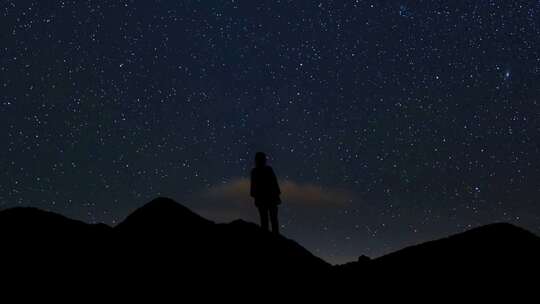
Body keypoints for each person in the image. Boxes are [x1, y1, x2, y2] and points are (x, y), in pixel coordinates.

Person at [250, 152, 281, 234]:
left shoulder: (255, 171)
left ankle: (268, 237)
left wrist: (255, 197)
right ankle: (274, 237)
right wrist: (277, 196)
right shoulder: (266, 170)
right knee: (271, 219)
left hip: (265, 199)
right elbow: (275, 184)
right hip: (269, 198)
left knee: (266, 219)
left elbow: (253, 189)